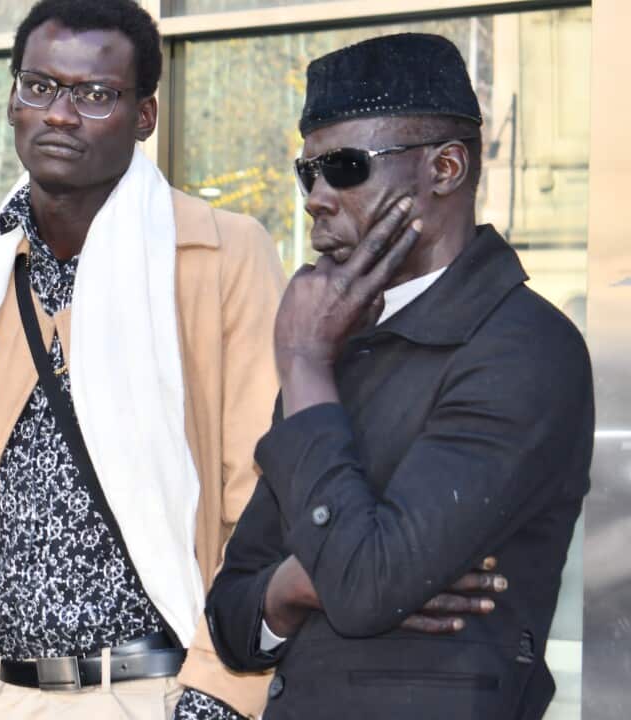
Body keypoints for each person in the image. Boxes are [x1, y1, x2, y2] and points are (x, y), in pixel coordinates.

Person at [206, 33, 594, 720]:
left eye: (345, 167)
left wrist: (300, 365)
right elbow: (233, 617)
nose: (316, 199)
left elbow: (361, 588)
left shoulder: (524, 347)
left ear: (445, 167)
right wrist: (297, 585)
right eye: (308, 173)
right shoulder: (337, 343)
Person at [0, 1, 285, 718]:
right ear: (11, 98)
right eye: (39, 86)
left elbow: (262, 492)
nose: (59, 114)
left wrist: (222, 691)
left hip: (158, 690)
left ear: (145, 115)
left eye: (94, 95)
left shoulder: (221, 252)